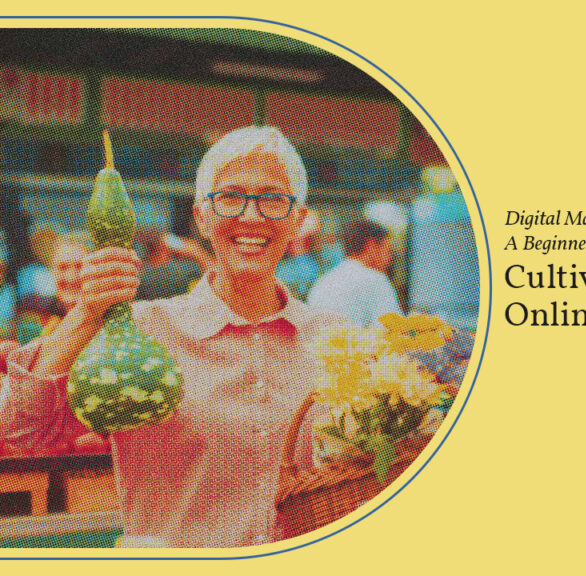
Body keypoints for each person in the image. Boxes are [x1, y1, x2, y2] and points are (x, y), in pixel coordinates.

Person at [0, 126, 336, 547]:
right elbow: (21, 428)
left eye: (273, 198)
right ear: (201, 216)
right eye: (230, 197)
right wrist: (86, 314)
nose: (251, 216)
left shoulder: (338, 343)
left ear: (298, 219)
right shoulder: (142, 335)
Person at [307, 218, 401, 326]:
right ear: (371, 246)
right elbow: (394, 331)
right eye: (387, 250)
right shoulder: (376, 280)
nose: (389, 259)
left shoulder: (322, 282)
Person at [134, 228, 213, 301]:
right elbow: (216, 274)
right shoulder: (185, 273)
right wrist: (197, 251)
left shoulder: (138, 278)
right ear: (164, 247)